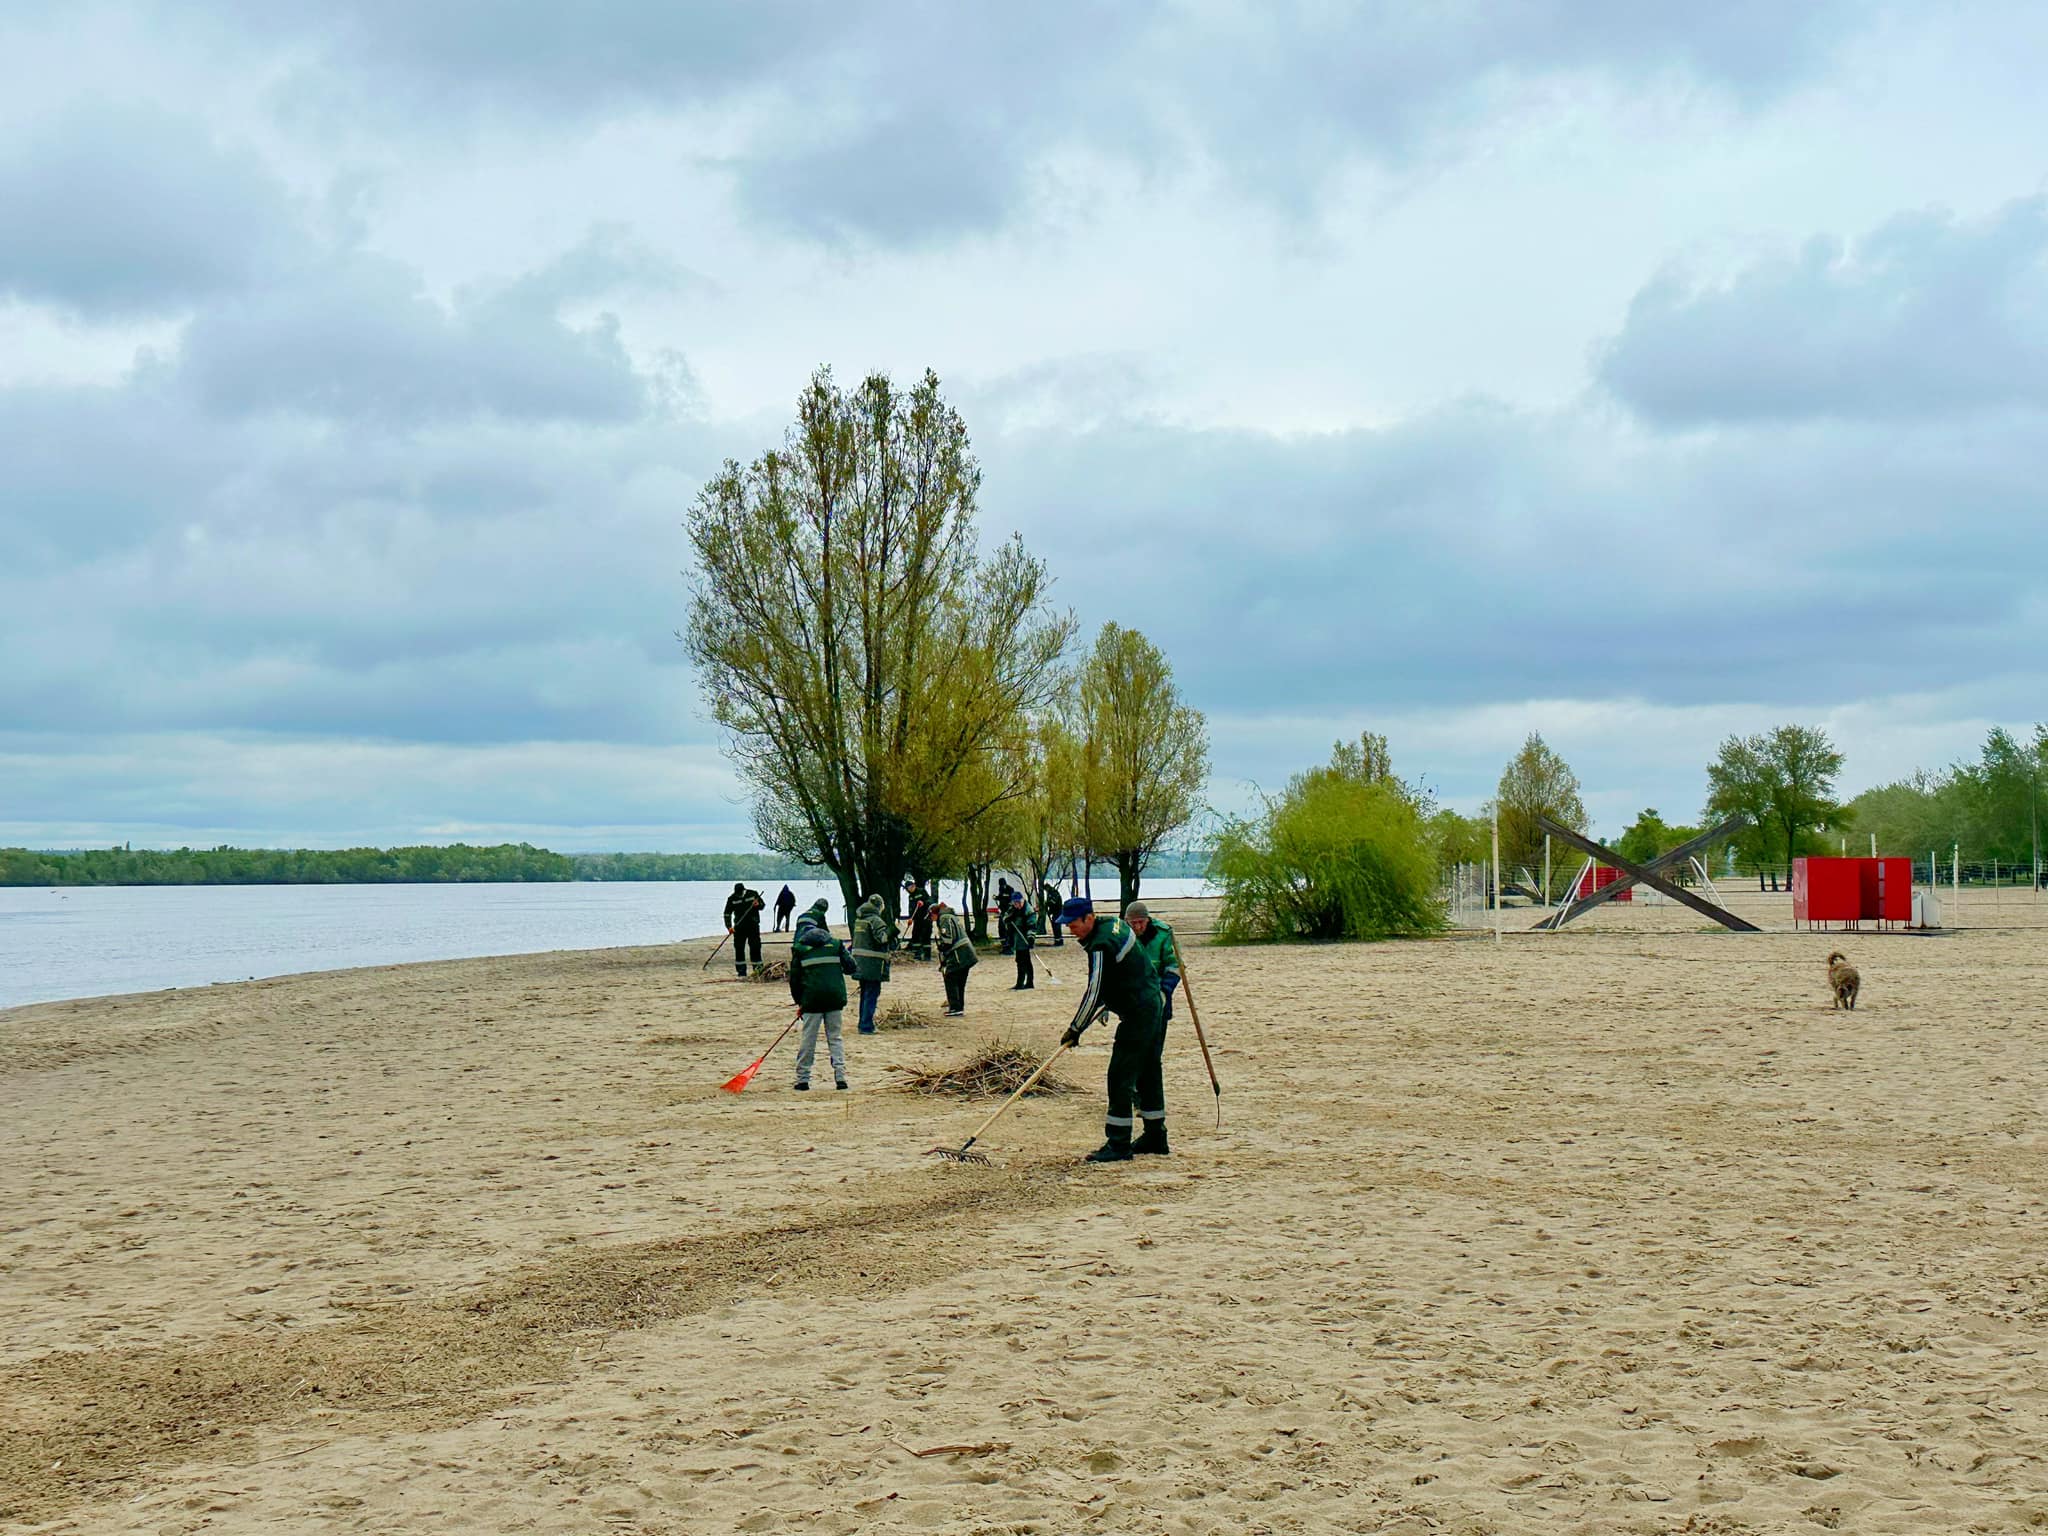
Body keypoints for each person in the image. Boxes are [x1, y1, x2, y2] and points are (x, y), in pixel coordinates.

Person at [1057, 896, 1166, 1162]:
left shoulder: (1101, 944)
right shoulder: (1114, 924)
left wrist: (1075, 1028)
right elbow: (1116, 978)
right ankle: (1155, 1135)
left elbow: (1094, 991)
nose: (1070, 930)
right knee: (1148, 1070)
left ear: (1089, 918)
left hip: (1138, 1012)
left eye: (1073, 924)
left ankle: (1118, 1144)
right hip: (1152, 1003)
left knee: (1120, 1075)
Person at [787, 904, 853, 1091]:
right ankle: (841, 1078)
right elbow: (851, 967)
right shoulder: (836, 945)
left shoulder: (800, 950)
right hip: (835, 999)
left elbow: (795, 981)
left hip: (812, 1002)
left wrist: (800, 1003)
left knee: (809, 1039)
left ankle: (803, 1080)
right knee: (835, 1038)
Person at [1124, 900, 1181, 1030]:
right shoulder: (1121, 935)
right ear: (1127, 921)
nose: (1137, 927)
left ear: (1147, 920)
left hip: (1159, 995)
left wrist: (1164, 991)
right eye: (1133, 923)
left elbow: (1175, 966)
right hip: (1131, 1000)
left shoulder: (1163, 934)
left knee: (1155, 1045)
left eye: (1141, 922)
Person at [850, 893, 897, 1035]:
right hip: (873, 964)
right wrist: (892, 931)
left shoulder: (859, 920)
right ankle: (866, 1026)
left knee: (865, 993)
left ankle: (862, 1023)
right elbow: (882, 939)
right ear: (879, 906)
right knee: (871, 994)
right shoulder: (875, 920)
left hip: (859, 963)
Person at [933, 899, 977, 1016]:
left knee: (950, 977)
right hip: (968, 953)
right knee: (960, 981)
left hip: (960, 953)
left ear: (934, 913)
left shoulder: (944, 918)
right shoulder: (951, 916)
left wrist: (941, 947)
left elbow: (948, 940)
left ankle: (955, 1007)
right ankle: (959, 1007)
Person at [723, 882, 766, 976]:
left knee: (755, 947)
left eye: (740, 893)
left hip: (753, 925)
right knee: (739, 948)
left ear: (744, 890)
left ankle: (758, 969)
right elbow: (727, 913)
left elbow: (762, 906)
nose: (738, 895)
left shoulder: (753, 894)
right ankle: (741, 971)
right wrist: (729, 927)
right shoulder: (732, 898)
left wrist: (757, 904)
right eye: (737, 894)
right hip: (739, 927)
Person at [1002, 891, 1036, 989]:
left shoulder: (1028, 910)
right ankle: (1023, 983)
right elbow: (1005, 917)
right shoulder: (1012, 908)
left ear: (1022, 900)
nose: (1017, 905)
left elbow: (1032, 926)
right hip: (1017, 938)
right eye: (1015, 903)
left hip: (1024, 938)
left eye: (1018, 903)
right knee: (1021, 960)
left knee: (1023, 960)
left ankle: (1026, 982)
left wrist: (1031, 938)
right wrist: (1008, 918)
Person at [907, 881, 934, 961]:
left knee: (926, 935)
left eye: (911, 887)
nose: (910, 889)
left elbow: (930, 901)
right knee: (915, 935)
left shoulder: (922, 891)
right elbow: (911, 908)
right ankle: (917, 954)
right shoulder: (910, 896)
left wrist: (923, 903)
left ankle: (927, 955)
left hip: (926, 918)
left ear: (914, 885)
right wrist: (910, 918)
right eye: (908, 888)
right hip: (917, 919)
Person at [1041, 878, 1065, 945]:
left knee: (1057, 926)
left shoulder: (1054, 893)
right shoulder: (1050, 893)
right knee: (1054, 926)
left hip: (1058, 911)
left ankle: (1059, 940)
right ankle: (1057, 940)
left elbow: (1054, 903)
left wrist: (1048, 903)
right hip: (1054, 912)